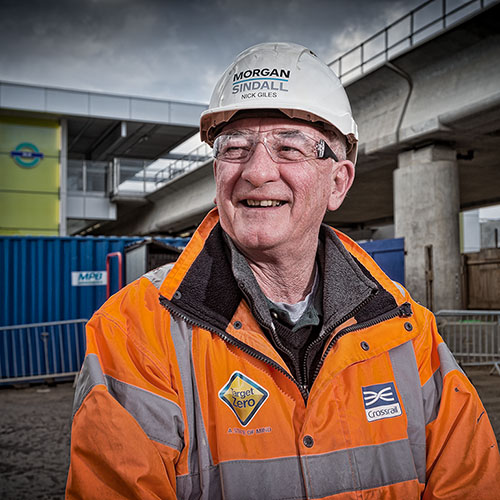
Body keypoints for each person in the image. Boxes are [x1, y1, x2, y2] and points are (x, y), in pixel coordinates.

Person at [66, 42, 500, 499]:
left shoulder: (406, 330)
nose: (256, 171)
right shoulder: (136, 332)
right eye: (235, 148)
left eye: (289, 148)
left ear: (338, 182)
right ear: (217, 172)